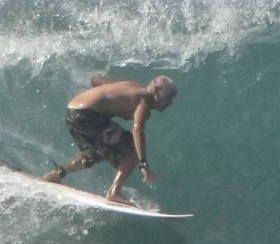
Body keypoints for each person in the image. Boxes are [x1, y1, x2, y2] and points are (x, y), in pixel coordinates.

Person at [42, 74, 178, 205]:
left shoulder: (130, 86)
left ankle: (57, 174)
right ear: (155, 90)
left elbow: (97, 80)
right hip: (88, 116)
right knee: (132, 150)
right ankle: (114, 192)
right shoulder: (145, 99)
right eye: (169, 97)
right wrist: (143, 163)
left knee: (93, 155)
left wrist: (98, 94)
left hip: (72, 112)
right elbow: (137, 129)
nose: (171, 102)